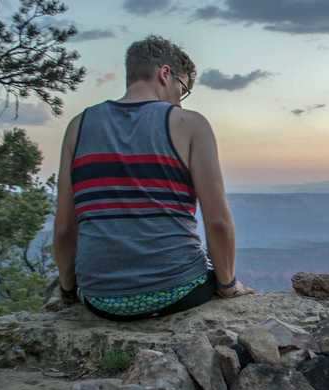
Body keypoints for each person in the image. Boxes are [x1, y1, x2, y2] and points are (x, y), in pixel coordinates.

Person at [52, 35, 254, 321]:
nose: (180, 103)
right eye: (182, 89)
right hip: (178, 291)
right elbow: (218, 222)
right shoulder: (190, 124)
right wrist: (228, 285)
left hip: (100, 299)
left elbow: (63, 228)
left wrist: (68, 291)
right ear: (165, 74)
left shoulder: (78, 126)